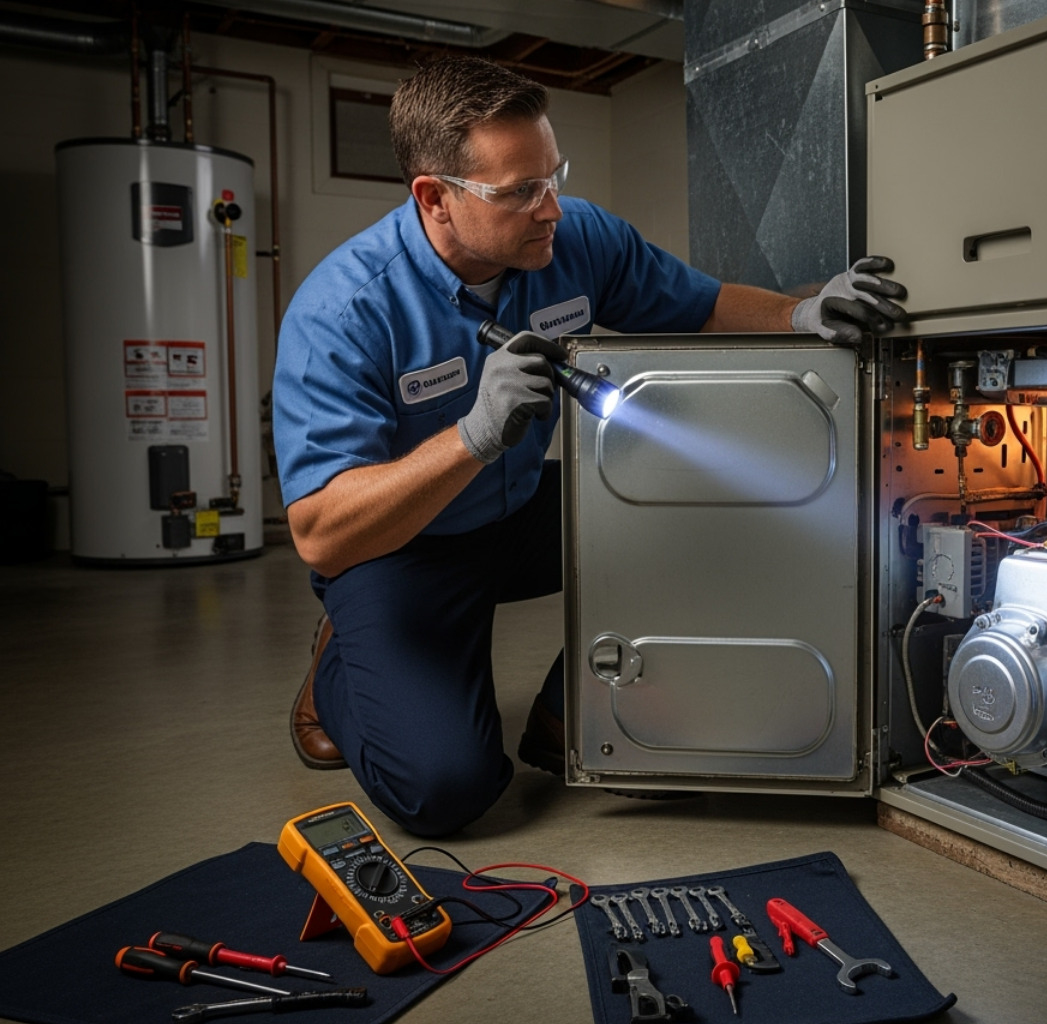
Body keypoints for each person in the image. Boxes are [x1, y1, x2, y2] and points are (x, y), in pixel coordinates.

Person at [273, 56, 907, 837]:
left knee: (732, 513)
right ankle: (344, 662)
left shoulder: (577, 241)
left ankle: (565, 712)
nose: (550, 210)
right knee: (447, 790)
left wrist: (802, 313)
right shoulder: (343, 314)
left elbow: (701, 307)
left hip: (514, 510)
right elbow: (321, 533)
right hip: (401, 547)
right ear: (434, 198)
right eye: (519, 192)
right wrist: (470, 436)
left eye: (553, 177)